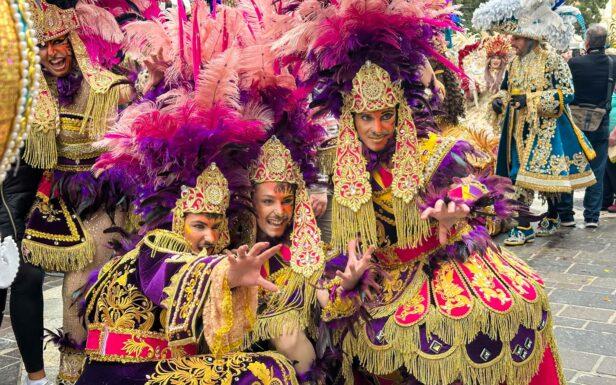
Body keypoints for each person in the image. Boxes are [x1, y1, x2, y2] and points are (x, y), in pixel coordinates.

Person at [275, 0, 567, 384]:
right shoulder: (346, 167)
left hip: (444, 260)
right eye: (366, 117)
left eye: (386, 116)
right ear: (351, 117)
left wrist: (459, 208)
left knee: (495, 313)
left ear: (400, 112)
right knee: (345, 325)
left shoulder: (428, 150)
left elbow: (481, 188)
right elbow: (356, 244)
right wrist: (349, 278)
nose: (377, 128)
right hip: (385, 272)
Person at [20, 0, 162, 382]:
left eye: (59, 42)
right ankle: (72, 373)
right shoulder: (33, 94)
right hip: (58, 199)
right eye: (44, 46)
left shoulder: (110, 89)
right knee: (70, 288)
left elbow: (143, 130)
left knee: (94, 282)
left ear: (74, 43)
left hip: (109, 200)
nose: (52, 53)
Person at [474, 0, 596, 245]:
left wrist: (531, 100)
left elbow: (567, 92)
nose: (513, 43)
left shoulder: (553, 61)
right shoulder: (515, 62)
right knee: (517, 175)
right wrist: (499, 100)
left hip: (547, 128)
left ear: (531, 37)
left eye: (517, 38)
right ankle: (529, 223)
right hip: (517, 129)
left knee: (541, 177)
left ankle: (542, 218)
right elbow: (507, 90)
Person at [0, 2, 46, 382]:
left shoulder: (38, 85)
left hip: (33, 199)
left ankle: (37, 377)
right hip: (7, 198)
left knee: (26, 279)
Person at [560, 24, 616, 228]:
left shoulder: (574, 63)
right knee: (597, 170)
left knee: (569, 166)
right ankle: (592, 216)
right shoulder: (612, 63)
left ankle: (566, 214)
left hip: (574, 123)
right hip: (600, 123)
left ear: (587, 41)